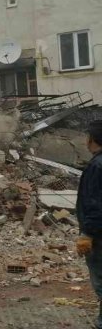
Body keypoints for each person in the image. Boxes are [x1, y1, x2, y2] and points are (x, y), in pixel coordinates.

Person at [77, 120, 102, 328]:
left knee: (101, 279)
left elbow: (94, 203)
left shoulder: (96, 166)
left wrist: (87, 233)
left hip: (100, 235)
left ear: (94, 140)